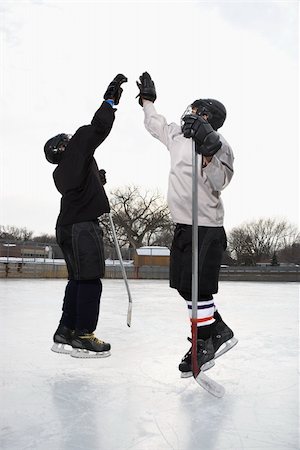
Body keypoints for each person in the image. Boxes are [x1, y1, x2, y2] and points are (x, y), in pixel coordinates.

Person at [136, 72, 238, 377]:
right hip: (182, 224)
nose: (189, 115)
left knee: (198, 289)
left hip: (206, 226)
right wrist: (147, 102)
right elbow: (155, 125)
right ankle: (217, 329)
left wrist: (208, 150)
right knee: (184, 287)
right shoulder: (177, 135)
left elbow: (220, 182)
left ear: (207, 117)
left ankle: (202, 343)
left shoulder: (221, 146)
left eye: (195, 111)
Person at [45, 74, 127, 358]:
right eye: (68, 140)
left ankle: (65, 329)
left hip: (66, 227)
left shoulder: (61, 173)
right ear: (64, 147)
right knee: (90, 280)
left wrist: (95, 180)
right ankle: (83, 334)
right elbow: (97, 129)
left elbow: (80, 187)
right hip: (82, 229)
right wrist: (110, 102)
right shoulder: (76, 148)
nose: (72, 139)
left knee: (77, 279)